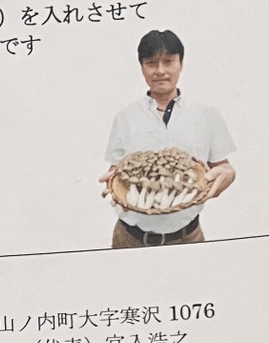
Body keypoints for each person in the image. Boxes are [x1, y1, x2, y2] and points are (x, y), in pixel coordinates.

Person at [101, 30, 237, 248]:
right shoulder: (125, 116)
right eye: (151, 63)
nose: (160, 71)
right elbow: (117, 170)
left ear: (181, 63)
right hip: (129, 238)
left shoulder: (206, 114)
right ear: (142, 67)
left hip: (188, 237)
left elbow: (223, 167)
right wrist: (113, 184)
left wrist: (227, 175)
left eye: (168, 61)